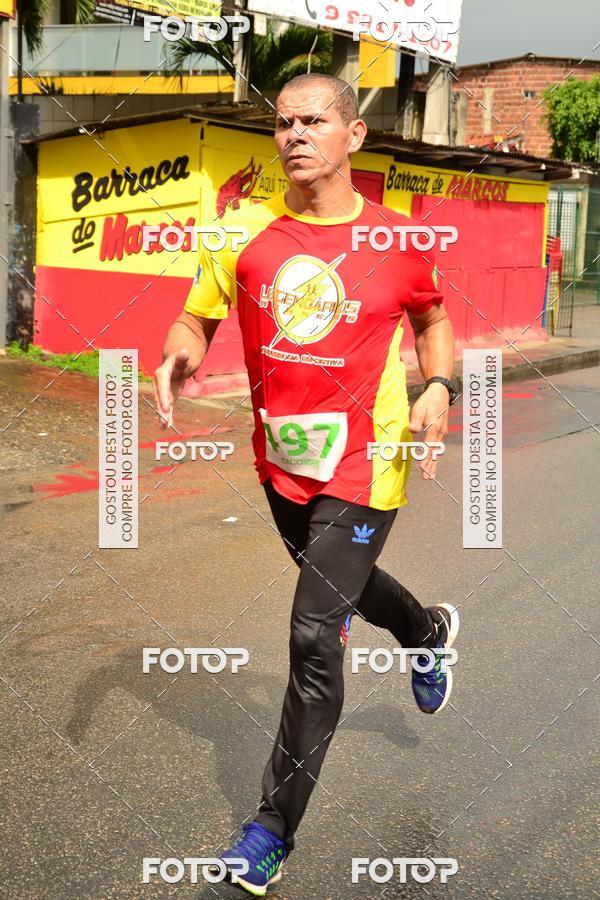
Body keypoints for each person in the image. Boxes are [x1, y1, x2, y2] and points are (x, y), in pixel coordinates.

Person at [154, 73, 459, 897]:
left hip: (370, 460)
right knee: (341, 590)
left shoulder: (399, 241)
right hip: (282, 461)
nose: (295, 133)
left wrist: (438, 387)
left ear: (353, 136)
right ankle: (426, 630)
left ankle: (270, 831)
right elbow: (198, 316)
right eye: (284, 122)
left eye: (315, 120)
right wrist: (182, 349)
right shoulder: (240, 236)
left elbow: (432, 320)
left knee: (313, 636)